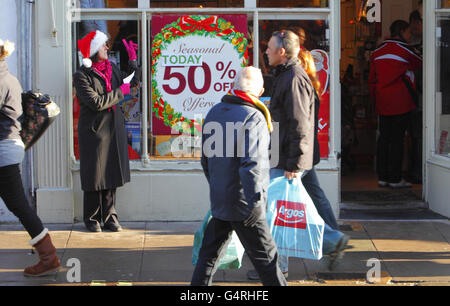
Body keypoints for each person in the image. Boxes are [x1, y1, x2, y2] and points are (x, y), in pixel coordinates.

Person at [248, 36, 349, 280]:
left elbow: (300, 124)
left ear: (282, 51)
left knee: (275, 212)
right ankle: (332, 240)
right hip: (291, 156)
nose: (266, 52)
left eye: (269, 48)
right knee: (309, 199)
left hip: (287, 159)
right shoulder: (288, 75)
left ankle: (279, 266)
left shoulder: (293, 78)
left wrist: (293, 163)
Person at [191, 66, 287, 286]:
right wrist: (256, 202)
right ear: (260, 91)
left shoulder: (214, 112)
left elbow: (206, 160)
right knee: (267, 261)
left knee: (208, 259)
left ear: (234, 88)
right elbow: (251, 164)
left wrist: (218, 187)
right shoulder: (254, 117)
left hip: (222, 201)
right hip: (245, 204)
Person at [0, 39, 61, 276]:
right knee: (19, 205)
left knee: (19, 205)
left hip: (3, 147)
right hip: (10, 146)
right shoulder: (9, 77)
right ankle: (49, 257)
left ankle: (49, 257)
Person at [73, 30, 139, 232]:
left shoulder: (112, 68)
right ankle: (92, 217)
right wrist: (122, 92)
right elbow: (96, 102)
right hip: (94, 131)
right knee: (95, 175)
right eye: (103, 45)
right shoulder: (81, 75)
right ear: (93, 51)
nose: (107, 48)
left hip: (113, 127)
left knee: (111, 171)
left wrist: (134, 63)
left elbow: (132, 84)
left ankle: (110, 215)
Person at [369, 20, 422, 188]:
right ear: (402, 32)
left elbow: (372, 79)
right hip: (401, 101)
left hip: (382, 100)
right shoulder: (405, 50)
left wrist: (375, 100)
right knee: (397, 140)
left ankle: (382, 176)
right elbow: (419, 62)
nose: (409, 35)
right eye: (408, 32)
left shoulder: (377, 51)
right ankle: (395, 178)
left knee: (384, 139)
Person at [407, 9, 423, 184]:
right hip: (414, 100)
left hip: (421, 100)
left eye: (416, 23)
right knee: (415, 137)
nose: (413, 27)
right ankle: (416, 170)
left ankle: (418, 171)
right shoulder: (410, 45)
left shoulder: (426, 44)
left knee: (418, 137)